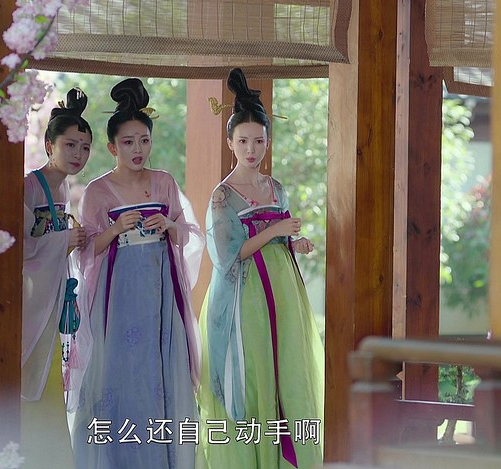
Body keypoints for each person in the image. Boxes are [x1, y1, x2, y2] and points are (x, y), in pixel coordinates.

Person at [69, 77, 203, 469]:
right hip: (118, 297)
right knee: (119, 376)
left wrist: (170, 226)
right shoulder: (97, 191)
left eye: (144, 140)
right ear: (113, 147)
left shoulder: (164, 182)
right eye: (128, 142)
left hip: (160, 292)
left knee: (159, 374)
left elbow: (189, 235)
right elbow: (85, 251)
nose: (138, 149)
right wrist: (114, 229)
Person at [196, 68, 324, 469]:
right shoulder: (222, 196)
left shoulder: (276, 187)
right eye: (243, 141)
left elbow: (280, 240)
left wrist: (295, 243)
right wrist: (275, 231)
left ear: (268, 141)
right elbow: (227, 255)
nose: (251, 149)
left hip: (283, 295)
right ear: (230, 142)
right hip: (244, 298)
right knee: (254, 377)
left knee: (287, 372)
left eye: (258, 141)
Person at [21, 87, 92, 468]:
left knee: (51, 382)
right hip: (31, 303)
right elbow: (22, 250)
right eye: (70, 145)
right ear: (50, 145)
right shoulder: (29, 187)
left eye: (85, 147)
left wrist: (67, 239)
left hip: (51, 300)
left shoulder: (62, 185)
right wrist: (64, 239)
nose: (78, 154)